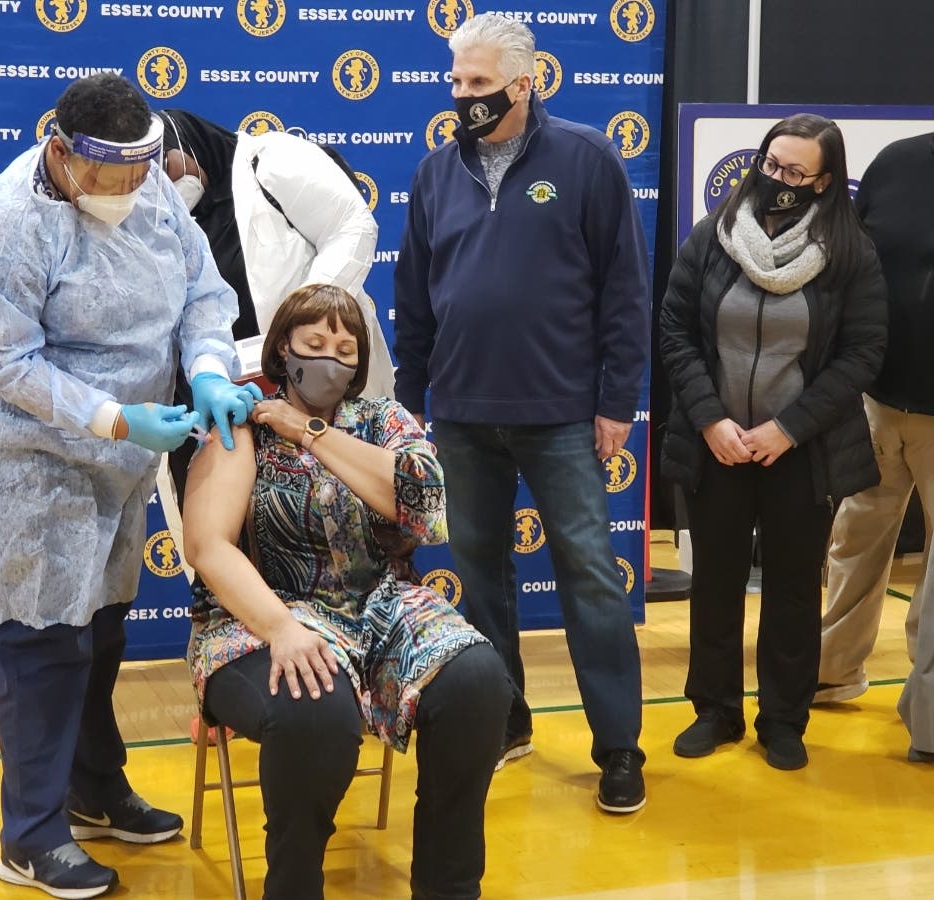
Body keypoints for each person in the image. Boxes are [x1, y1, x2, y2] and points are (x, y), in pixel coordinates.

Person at [0, 74, 260, 899]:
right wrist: (115, 417)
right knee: (43, 642)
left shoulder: (147, 187)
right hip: (27, 462)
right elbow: (0, 360)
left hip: (112, 464)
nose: (125, 193)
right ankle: (30, 837)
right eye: (109, 180)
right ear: (63, 154)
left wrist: (214, 369)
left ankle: (92, 789)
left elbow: (203, 292)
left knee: (101, 628)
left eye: (136, 176)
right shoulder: (9, 226)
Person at [392, 13, 649, 814]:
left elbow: (624, 290)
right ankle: (505, 720)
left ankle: (618, 748)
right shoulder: (437, 171)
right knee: (480, 579)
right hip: (462, 415)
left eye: (477, 82)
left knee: (590, 582)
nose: (461, 94)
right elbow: (415, 293)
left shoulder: (587, 158)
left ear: (522, 83)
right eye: (456, 80)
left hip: (564, 414)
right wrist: (409, 404)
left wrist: (616, 403)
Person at [183, 284, 509, 900]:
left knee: (478, 683)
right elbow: (208, 547)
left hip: (381, 604)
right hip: (262, 615)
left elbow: (421, 503)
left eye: (345, 346)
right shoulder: (244, 423)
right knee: (314, 708)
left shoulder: (381, 420)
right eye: (314, 344)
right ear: (283, 348)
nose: (331, 358)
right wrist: (281, 628)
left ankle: (449, 886)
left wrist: (306, 430)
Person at [660, 113, 888, 771]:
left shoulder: (850, 254)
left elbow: (862, 354)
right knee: (717, 584)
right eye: (770, 164)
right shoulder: (713, 238)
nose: (777, 180)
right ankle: (716, 710)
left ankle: (784, 719)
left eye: (795, 173)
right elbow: (676, 330)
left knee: (791, 588)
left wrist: (788, 428)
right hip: (717, 445)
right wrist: (711, 421)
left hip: (801, 450)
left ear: (823, 182)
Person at [813, 132, 934, 763]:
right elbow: (853, 264)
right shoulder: (898, 161)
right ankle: (832, 671)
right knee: (856, 534)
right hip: (879, 398)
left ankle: (928, 705)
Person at [158, 108, 395, 399]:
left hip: (316, 372)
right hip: (229, 394)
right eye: (154, 185)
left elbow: (352, 226)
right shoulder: (161, 218)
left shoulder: (270, 159)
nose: (169, 188)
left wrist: (301, 323)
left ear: (186, 142)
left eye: (168, 168)